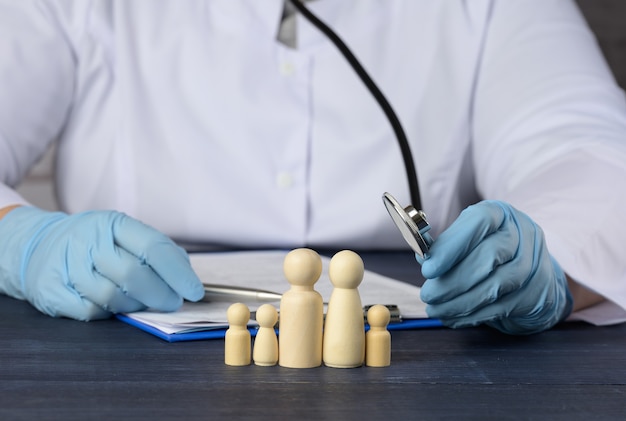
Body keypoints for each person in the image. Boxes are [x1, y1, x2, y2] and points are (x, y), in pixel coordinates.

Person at [0, 0, 625, 334]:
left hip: (428, 364)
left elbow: (594, 156)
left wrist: (552, 262)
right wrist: (23, 242)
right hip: (113, 354)